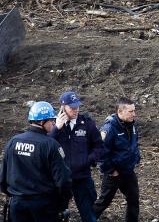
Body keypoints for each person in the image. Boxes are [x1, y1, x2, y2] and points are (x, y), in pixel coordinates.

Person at [0, 101, 72, 222]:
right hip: (44, 207)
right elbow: (63, 180)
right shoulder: (50, 145)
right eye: (51, 120)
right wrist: (63, 204)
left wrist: (13, 194)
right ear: (42, 122)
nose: (54, 123)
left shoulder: (13, 141)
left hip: (17, 204)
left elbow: (2, 177)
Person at [50, 90, 103, 222]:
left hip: (82, 177)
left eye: (77, 106)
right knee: (56, 214)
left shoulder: (87, 123)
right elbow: (46, 146)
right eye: (72, 107)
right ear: (63, 108)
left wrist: (88, 160)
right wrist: (56, 128)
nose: (76, 110)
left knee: (89, 215)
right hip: (61, 179)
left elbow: (99, 146)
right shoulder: (53, 125)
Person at [93, 98, 141, 222]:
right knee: (104, 201)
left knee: (133, 199)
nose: (134, 114)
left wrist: (136, 158)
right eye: (130, 111)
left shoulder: (132, 125)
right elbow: (100, 152)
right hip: (114, 173)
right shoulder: (109, 129)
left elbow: (133, 144)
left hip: (128, 170)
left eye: (134, 111)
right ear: (120, 112)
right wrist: (111, 170)